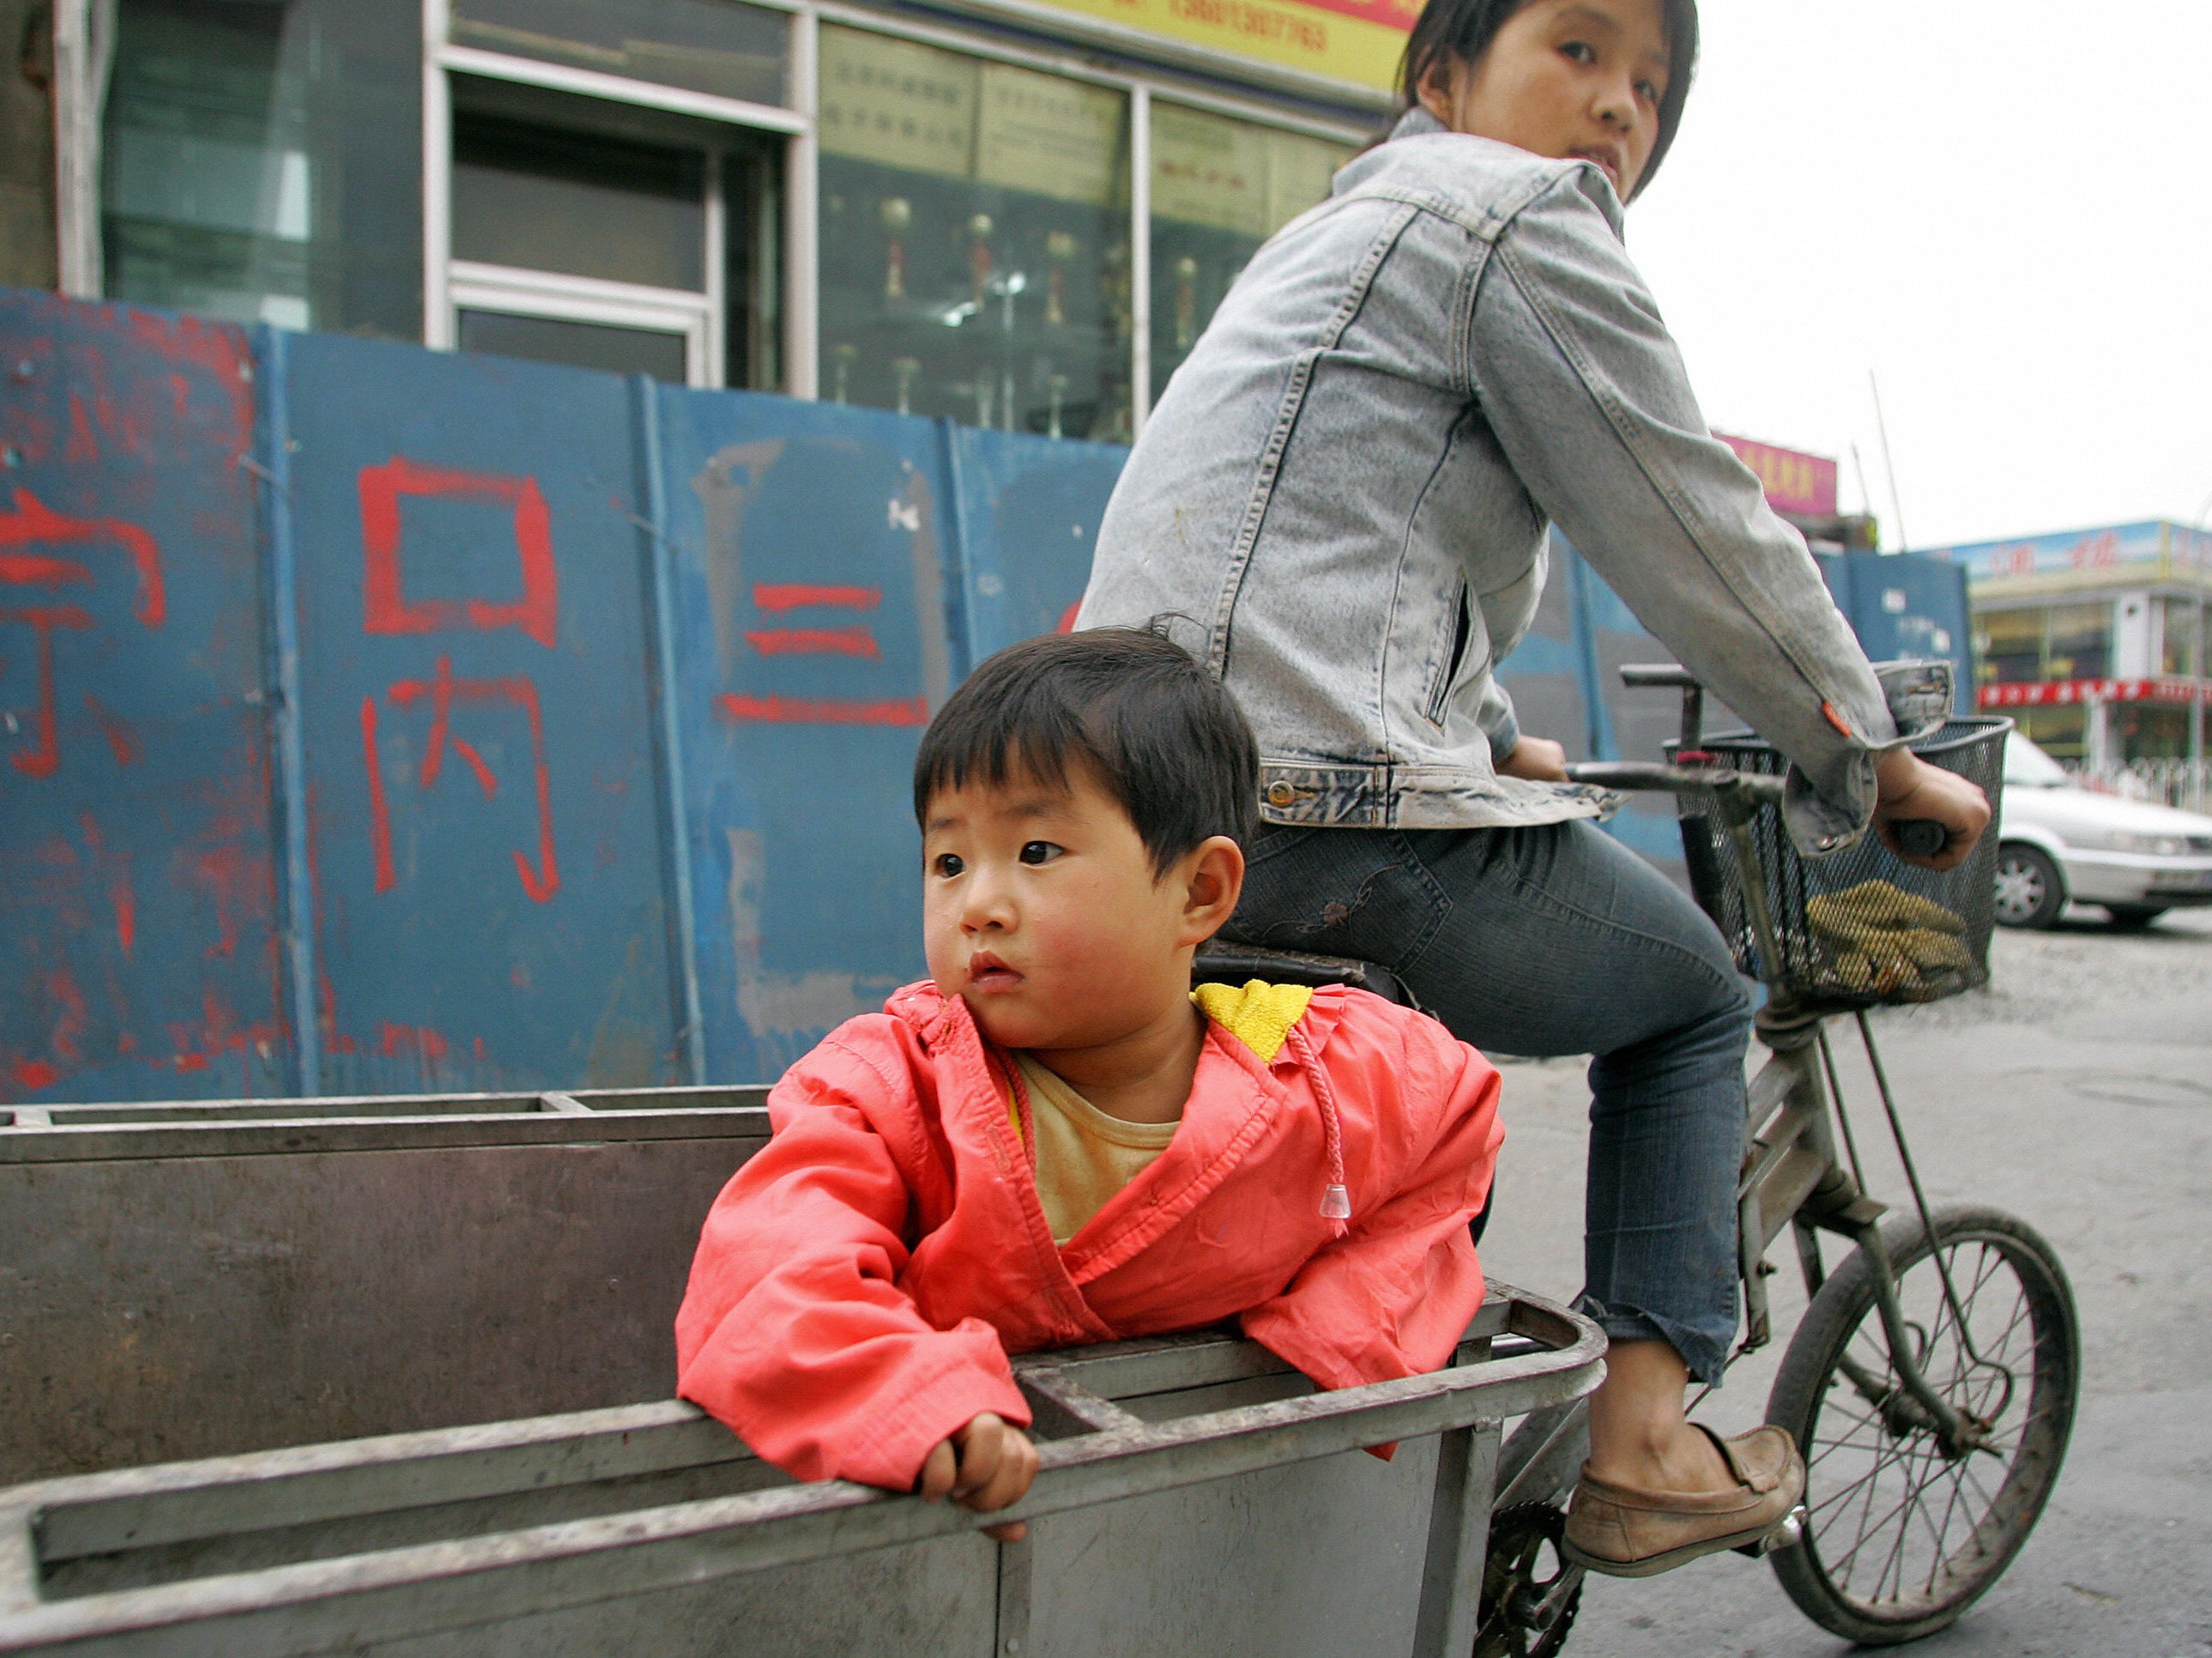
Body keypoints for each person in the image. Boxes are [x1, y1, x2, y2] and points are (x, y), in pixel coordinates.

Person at [1075, 0, 1991, 1577]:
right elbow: (1686, 513)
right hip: (1313, 808)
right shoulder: (1514, 212)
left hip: (1139, 803)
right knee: (1692, 998)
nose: (1618, 110)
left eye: (1649, 87)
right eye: (1576, 50)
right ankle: (1640, 1442)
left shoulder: (1340, 235)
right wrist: (1866, 748)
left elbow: (1351, 528)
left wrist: (1488, 734)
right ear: (1441, 77)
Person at [675, 629, 1506, 1538]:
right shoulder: (892, 1086)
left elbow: (1456, 1121)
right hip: (958, 1516)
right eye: (948, 863)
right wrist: (908, 1401)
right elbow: (768, 1269)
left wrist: (1342, 1326)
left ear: (1198, 892)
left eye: (1036, 851)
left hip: (1219, 1525)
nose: (978, 905)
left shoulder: (1321, 1068)